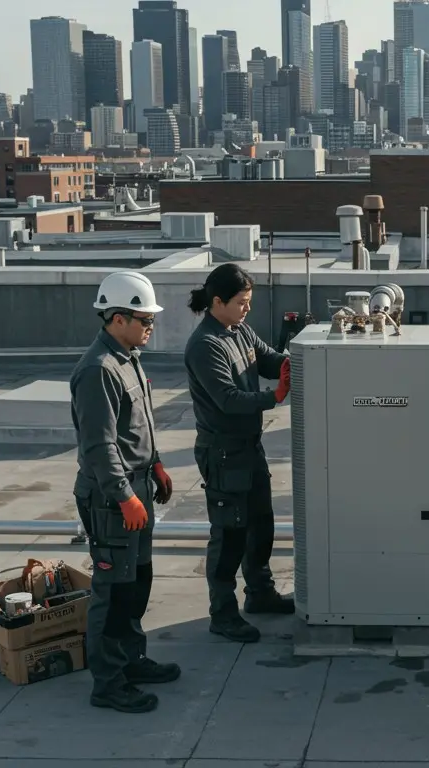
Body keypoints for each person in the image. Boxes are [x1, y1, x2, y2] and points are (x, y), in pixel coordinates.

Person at [70, 270, 180, 714]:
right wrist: (123, 496)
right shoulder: (98, 370)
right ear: (117, 318)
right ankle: (108, 683)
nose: (150, 325)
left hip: (135, 485)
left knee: (136, 583)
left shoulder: (127, 357)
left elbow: (133, 427)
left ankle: (131, 660)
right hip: (111, 496)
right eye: (143, 318)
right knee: (113, 592)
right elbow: (99, 445)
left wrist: (154, 464)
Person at [184, 262, 294, 644]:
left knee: (261, 524)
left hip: (248, 446)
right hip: (223, 451)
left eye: (249, 302)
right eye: (242, 302)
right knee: (230, 534)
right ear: (218, 302)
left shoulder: (239, 330)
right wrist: (274, 396)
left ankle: (260, 593)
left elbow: (269, 359)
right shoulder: (205, 345)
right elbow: (228, 400)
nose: (248, 309)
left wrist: (299, 359)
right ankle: (223, 613)